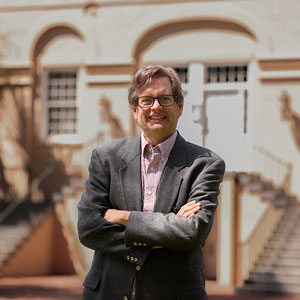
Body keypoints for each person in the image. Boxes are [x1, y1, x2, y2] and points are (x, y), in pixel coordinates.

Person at [77, 65, 225, 300]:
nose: (156, 107)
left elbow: (193, 232)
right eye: (147, 100)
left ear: (179, 107)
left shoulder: (205, 164)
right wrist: (167, 231)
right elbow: (89, 228)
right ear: (135, 111)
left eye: (165, 98)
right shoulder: (106, 157)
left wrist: (125, 217)